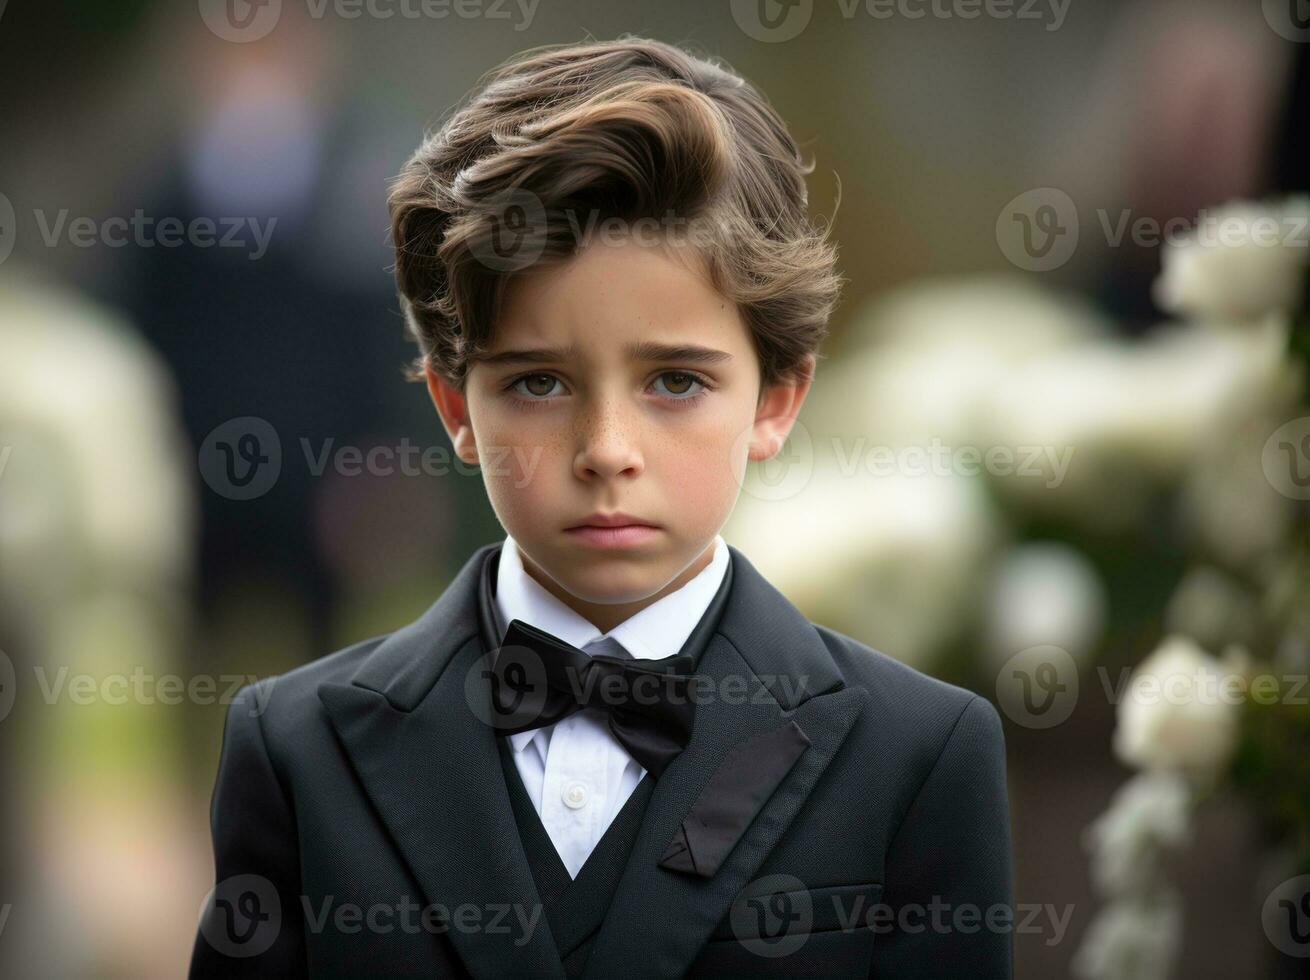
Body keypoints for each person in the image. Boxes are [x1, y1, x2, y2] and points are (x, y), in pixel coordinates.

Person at [190, 36, 1012, 979]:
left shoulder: (918, 755)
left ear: (777, 397)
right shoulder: (299, 751)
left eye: (674, 380)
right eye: (539, 383)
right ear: (456, 407)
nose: (607, 450)